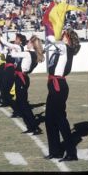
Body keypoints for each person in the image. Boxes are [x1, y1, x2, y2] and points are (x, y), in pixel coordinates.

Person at [44, 28, 80, 161]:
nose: (62, 35)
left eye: (64, 34)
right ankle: (55, 151)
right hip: (54, 84)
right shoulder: (62, 49)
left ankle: (71, 153)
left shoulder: (65, 48)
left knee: (60, 119)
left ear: (68, 38)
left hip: (58, 86)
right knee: (49, 119)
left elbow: (52, 39)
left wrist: (49, 27)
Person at [10, 35, 45, 134]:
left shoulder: (28, 54)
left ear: (33, 44)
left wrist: (14, 46)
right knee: (21, 104)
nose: (27, 43)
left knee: (24, 104)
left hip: (22, 79)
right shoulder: (33, 54)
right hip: (22, 78)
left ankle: (35, 127)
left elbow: (13, 55)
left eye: (29, 42)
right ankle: (30, 126)